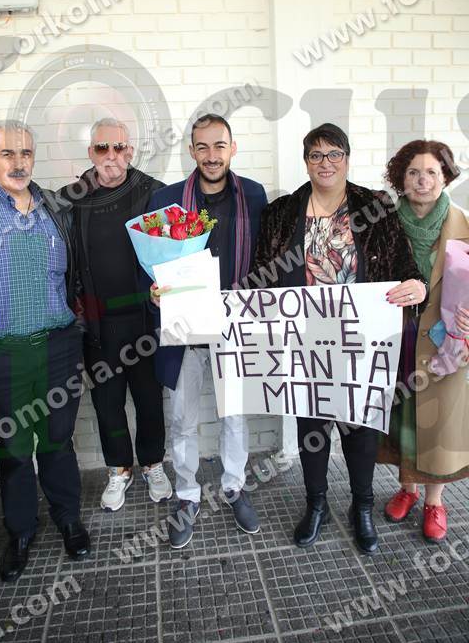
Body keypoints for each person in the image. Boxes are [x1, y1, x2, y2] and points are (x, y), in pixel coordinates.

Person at [251, 123, 427, 554]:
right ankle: (317, 505)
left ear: (346, 159)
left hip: (363, 339)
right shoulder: (281, 213)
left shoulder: (375, 207)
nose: (325, 162)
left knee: (360, 428)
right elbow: (260, 278)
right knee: (311, 427)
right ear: (306, 161)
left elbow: (405, 266)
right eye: (316, 155)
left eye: (334, 154)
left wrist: (418, 286)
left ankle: (361, 506)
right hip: (304, 341)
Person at [0, 120, 90, 584]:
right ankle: (20, 531)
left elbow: (75, 276)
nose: (18, 163)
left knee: (58, 439)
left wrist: (78, 329)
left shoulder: (57, 208)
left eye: (26, 153)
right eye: (7, 154)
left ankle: (68, 517)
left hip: (57, 347)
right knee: (13, 448)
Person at [149, 113, 267, 549]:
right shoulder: (166, 200)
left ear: (232, 148)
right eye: (202, 147)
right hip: (185, 331)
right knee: (182, 420)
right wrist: (155, 291)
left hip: (233, 329)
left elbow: (265, 255)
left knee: (234, 416)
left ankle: (234, 485)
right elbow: (152, 261)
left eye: (219, 146)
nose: (211, 155)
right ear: (192, 151)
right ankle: (187, 494)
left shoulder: (253, 195)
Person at [61, 118, 172, 511]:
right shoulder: (71, 199)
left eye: (119, 147)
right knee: (107, 405)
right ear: (90, 152)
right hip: (97, 325)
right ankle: (119, 469)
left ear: (131, 150)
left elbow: (173, 254)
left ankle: (153, 464)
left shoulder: (154, 192)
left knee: (149, 401)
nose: (111, 155)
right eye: (102, 148)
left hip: (144, 321)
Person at [378, 140, 469, 542]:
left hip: (443, 342)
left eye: (431, 172)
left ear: (445, 177)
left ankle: (435, 501)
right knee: (402, 416)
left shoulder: (463, 224)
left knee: (438, 420)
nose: (422, 180)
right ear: (401, 177)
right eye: (413, 172)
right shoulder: (384, 224)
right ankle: (407, 489)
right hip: (396, 335)